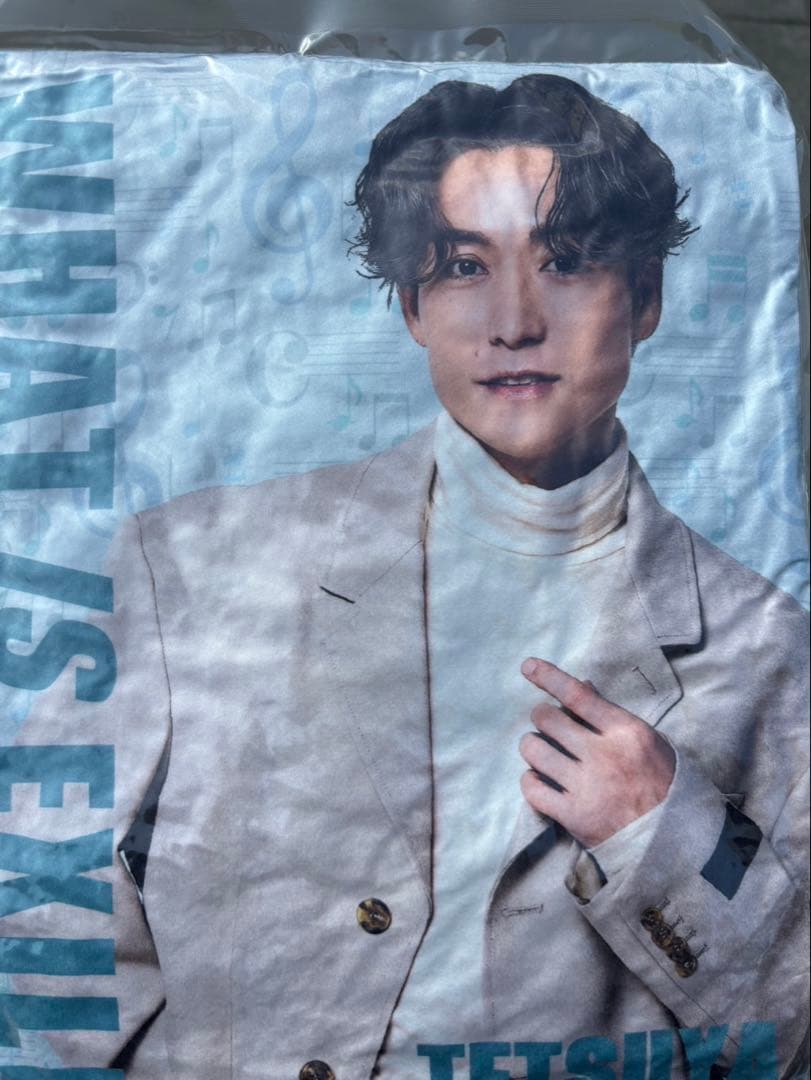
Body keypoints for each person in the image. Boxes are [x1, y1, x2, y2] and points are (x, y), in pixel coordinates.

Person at [3, 74, 808, 1080]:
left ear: (644, 298)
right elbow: (36, 891)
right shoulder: (188, 563)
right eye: (464, 267)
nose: (513, 322)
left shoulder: (765, 647)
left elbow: (795, 1034)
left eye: (564, 262)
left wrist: (663, 836)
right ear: (411, 305)